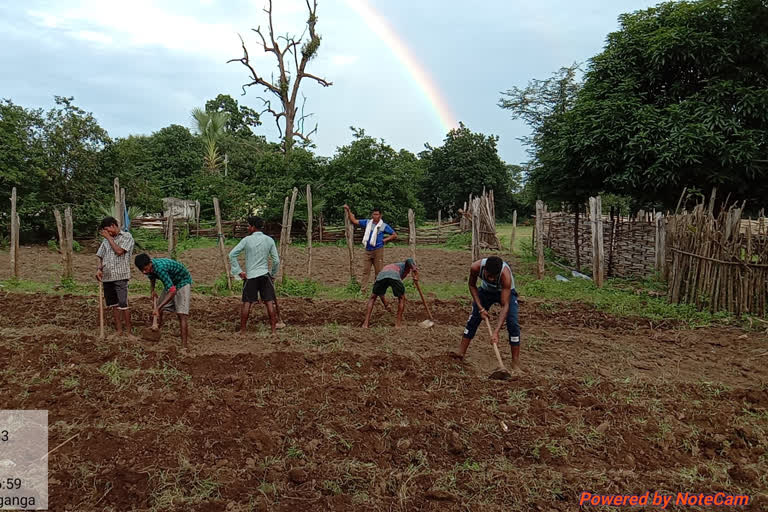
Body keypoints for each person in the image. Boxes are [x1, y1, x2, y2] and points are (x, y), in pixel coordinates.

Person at [453, 256, 521, 370]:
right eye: (489, 276)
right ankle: (460, 354)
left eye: (494, 277)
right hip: (485, 292)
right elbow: (472, 285)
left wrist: (496, 332)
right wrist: (480, 308)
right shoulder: (475, 267)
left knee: (513, 323)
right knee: (473, 319)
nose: (492, 280)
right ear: (484, 269)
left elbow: (505, 305)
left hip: (505, 293)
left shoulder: (505, 276)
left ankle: (515, 363)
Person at [228, 216, 281, 335]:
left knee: (247, 302)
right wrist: (272, 274)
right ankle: (273, 331)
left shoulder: (246, 240)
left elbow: (232, 255)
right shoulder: (269, 240)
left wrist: (239, 271)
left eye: (248, 225)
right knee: (269, 302)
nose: (248, 228)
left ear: (252, 227)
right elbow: (276, 260)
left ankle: (243, 331)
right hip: (264, 275)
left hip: (251, 276)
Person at [134, 253, 192, 347]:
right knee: (159, 308)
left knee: (182, 314)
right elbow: (152, 277)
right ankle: (156, 330)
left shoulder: (160, 269)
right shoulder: (149, 269)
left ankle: (184, 346)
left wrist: (157, 307)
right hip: (171, 282)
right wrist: (152, 290)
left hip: (182, 281)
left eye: (145, 269)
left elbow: (172, 291)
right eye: (142, 270)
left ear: (150, 264)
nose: (144, 272)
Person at [95, 216, 135, 337]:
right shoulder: (106, 240)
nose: (107, 233)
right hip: (107, 276)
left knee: (123, 303)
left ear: (113, 225)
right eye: (105, 231)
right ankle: (119, 330)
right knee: (113, 305)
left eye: (108, 230)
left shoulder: (126, 237)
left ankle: (128, 332)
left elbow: (119, 251)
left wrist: (108, 238)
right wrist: (99, 269)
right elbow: (100, 255)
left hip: (120, 275)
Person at [343, 204, 397, 292]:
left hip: (378, 250)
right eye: (374, 214)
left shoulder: (383, 226)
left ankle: (377, 290)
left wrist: (385, 240)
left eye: (377, 214)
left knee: (378, 271)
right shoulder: (368, 222)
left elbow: (394, 235)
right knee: (365, 271)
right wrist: (348, 211)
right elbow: (354, 221)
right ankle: (363, 289)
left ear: (380, 215)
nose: (375, 216)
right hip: (368, 250)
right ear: (372, 215)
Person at [362, 258, 419, 329]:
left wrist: (386, 305)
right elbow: (409, 260)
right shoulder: (404, 266)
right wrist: (414, 269)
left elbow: (381, 294)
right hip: (393, 274)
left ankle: (365, 324)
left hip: (381, 276)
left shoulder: (393, 267)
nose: (407, 273)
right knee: (401, 298)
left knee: (373, 297)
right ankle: (398, 325)